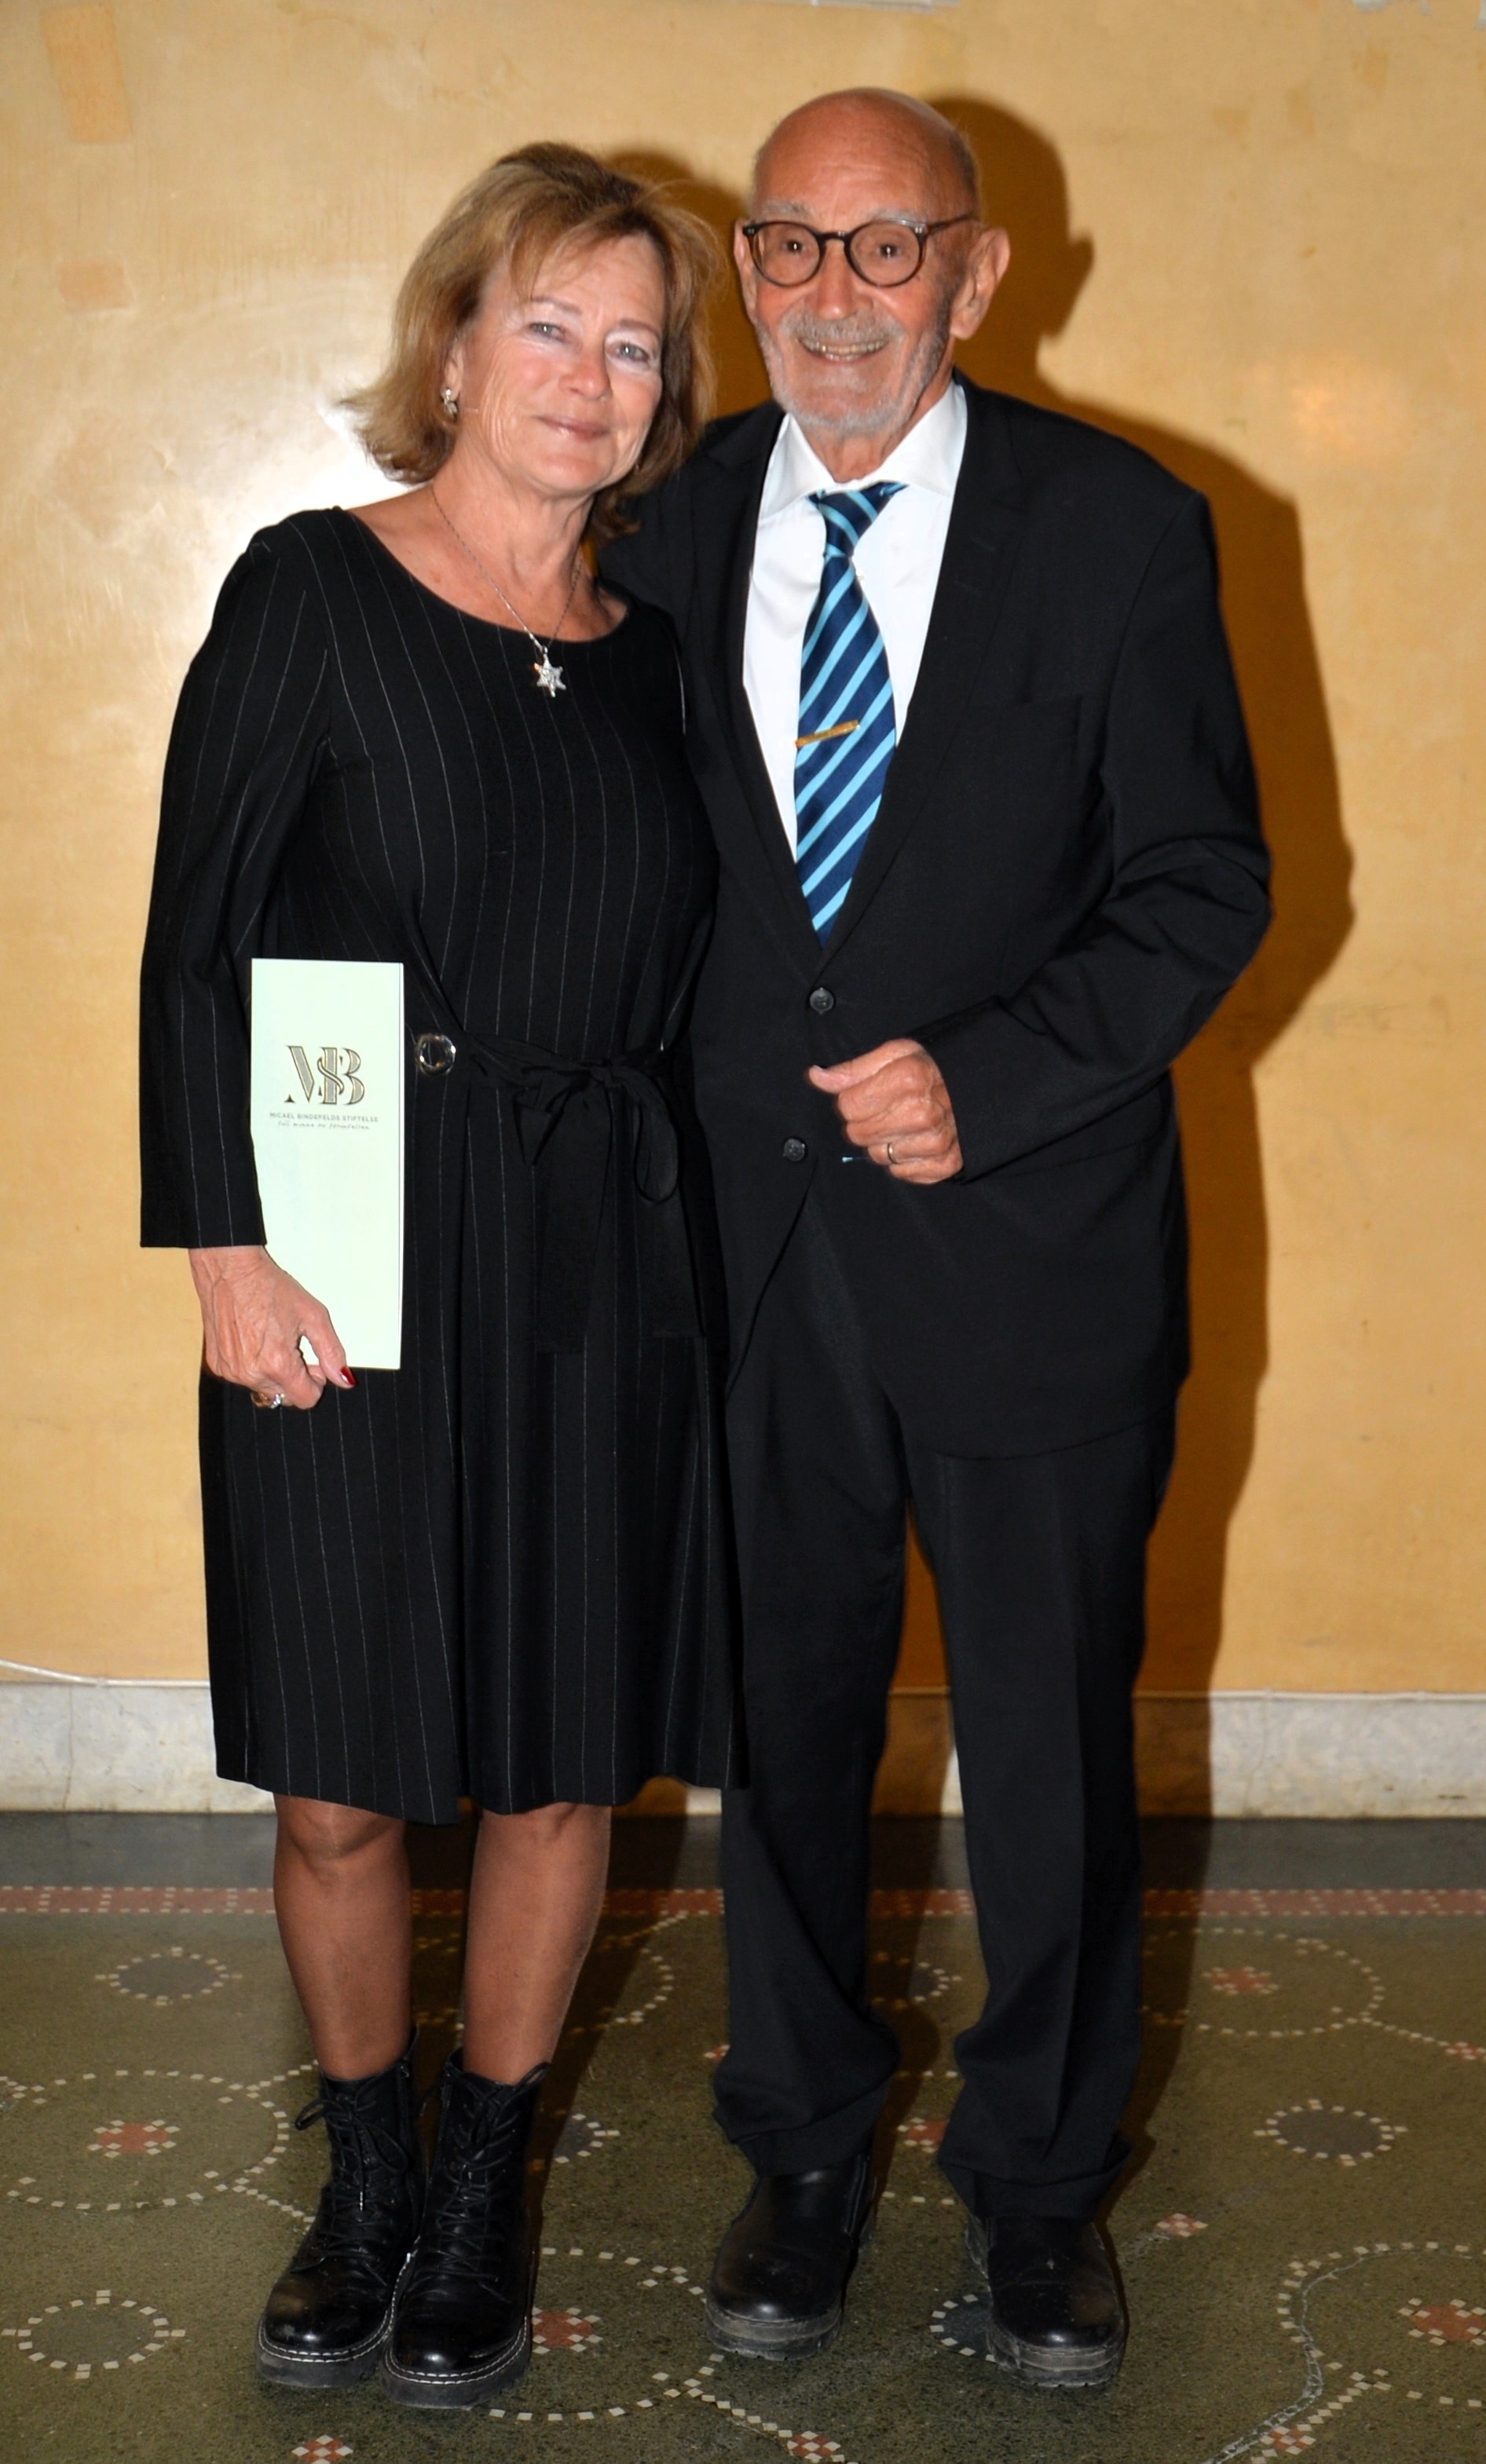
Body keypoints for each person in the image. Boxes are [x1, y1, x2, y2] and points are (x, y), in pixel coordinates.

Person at [603, 89, 1270, 2392]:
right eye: (789, 244)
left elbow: (1202, 882)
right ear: (745, 276)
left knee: (1050, 1752)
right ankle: (798, 2149)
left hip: (1033, 1249)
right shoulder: (663, 523)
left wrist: (992, 1073)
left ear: (977, 278)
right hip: (750, 1263)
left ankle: (1042, 2192)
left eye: (886, 248)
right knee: (780, 1739)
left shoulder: (1124, 530)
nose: (832, 295)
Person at [138, 144, 736, 2410]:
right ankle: (365, 2176)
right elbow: (194, 949)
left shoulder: (662, 654)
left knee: (561, 1760)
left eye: (633, 343)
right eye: (547, 324)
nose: (590, 376)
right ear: (458, 347)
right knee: (340, 1771)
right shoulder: (312, 587)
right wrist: (222, 1244)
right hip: (342, 1240)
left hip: (597, 1257)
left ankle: (484, 2187)